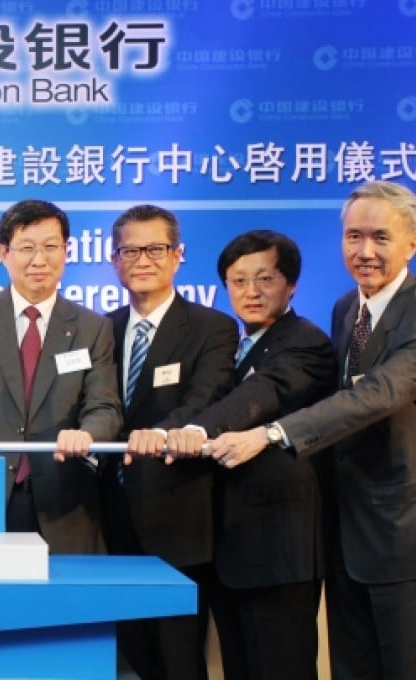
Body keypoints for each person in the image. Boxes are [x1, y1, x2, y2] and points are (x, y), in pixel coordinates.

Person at [206, 180, 416, 680]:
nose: (364, 252)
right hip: (342, 530)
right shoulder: (348, 308)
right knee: (351, 667)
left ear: (412, 242)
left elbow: (378, 394)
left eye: (380, 238)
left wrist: (272, 433)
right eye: (353, 236)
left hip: (402, 531)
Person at [58, 204, 238, 679]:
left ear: (178, 255)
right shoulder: (99, 331)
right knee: (127, 655)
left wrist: (158, 435)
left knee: (177, 658)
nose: (142, 259)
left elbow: (205, 402)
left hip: (176, 517)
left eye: (155, 248)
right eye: (129, 250)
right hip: (105, 519)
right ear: (114, 260)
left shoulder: (212, 328)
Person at [165, 230, 337, 679]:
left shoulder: (306, 343)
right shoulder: (235, 347)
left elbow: (263, 393)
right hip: (229, 554)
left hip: (278, 552)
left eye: (265, 278)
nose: (251, 292)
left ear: (291, 284)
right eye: (238, 281)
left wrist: (196, 430)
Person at [0, 198, 122, 554]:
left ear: (67, 251)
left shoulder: (94, 328)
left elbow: (105, 406)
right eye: (27, 248)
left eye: (51, 247)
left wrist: (87, 434)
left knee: (66, 607)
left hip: (64, 499)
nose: (40, 260)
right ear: (3, 252)